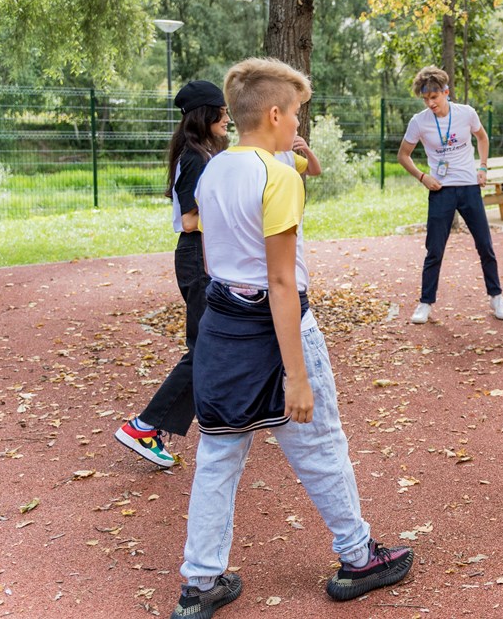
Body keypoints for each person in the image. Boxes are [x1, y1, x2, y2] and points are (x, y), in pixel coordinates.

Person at [168, 57, 413, 619]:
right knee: (322, 447)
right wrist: (296, 375)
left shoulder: (213, 169)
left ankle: (200, 582)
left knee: (219, 454)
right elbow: (280, 281)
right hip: (277, 329)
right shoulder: (276, 177)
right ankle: (358, 557)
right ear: (275, 114)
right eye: (297, 114)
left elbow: (213, 258)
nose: (299, 125)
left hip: (222, 325)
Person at [115, 81, 229, 468]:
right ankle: (144, 426)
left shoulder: (201, 152)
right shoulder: (196, 157)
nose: (228, 118)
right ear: (207, 114)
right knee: (204, 350)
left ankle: (224, 417)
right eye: (223, 111)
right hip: (198, 257)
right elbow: (189, 219)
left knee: (211, 347)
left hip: (204, 256)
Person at [397, 66, 503, 325]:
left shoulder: (466, 114)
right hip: (441, 190)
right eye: (426, 99)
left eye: (434, 97)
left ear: (446, 92)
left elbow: (482, 138)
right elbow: (403, 156)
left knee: (485, 245)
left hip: (469, 187)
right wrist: (423, 177)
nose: (430, 102)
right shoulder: (419, 121)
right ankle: (425, 303)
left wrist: (482, 166)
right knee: (434, 249)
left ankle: (496, 297)